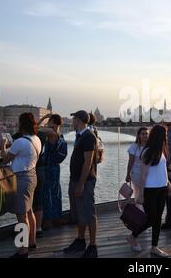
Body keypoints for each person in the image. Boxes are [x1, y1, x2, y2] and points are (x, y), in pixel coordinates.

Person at [126, 125, 171, 258]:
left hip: (161, 188)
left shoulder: (160, 151)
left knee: (158, 218)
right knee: (151, 218)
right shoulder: (147, 152)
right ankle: (132, 236)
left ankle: (154, 247)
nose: (166, 137)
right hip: (150, 189)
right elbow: (143, 175)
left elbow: (163, 170)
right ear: (160, 136)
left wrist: (168, 184)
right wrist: (140, 194)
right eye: (165, 135)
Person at [0, 113, 42, 258]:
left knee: (21, 216)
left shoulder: (20, 142)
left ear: (21, 124)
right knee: (29, 211)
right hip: (32, 176)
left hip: (21, 179)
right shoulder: (36, 139)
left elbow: (5, 159)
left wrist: (3, 146)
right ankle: (32, 242)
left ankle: (23, 250)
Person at [63, 110, 98, 258]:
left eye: (74, 119)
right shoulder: (81, 136)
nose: (72, 121)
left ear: (80, 120)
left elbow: (88, 162)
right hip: (76, 179)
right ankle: (80, 240)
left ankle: (93, 246)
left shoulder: (89, 137)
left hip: (84, 181)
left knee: (89, 213)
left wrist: (81, 184)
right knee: (79, 211)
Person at [38, 114, 68, 230]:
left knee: (46, 192)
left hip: (48, 167)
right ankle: (57, 217)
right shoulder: (60, 135)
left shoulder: (51, 133)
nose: (47, 123)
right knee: (56, 191)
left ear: (53, 123)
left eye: (49, 121)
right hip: (56, 167)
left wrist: (43, 117)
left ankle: (47, 220)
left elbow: (35, 129)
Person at [126, 127, 149, 198]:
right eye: (143, 134)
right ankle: (139, 208)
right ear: (139, 135)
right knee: (138, 194)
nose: (145, 135)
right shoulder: (134, 147)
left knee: (147, 194)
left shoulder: (150, 147)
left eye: (147, 134)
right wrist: (128, 175)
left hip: (149, 175)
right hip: (137, 174)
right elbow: (130, 162)